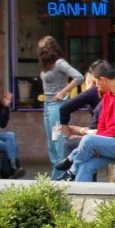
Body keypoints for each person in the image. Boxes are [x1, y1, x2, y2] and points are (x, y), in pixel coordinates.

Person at [55, 61, 115, 182]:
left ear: (102, 79)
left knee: (88, 140)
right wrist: (99, 142)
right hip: (111, 142)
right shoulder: (108, 95)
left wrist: (97, 139)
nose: (96, 86)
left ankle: (72, 169)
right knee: (86, 166)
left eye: (96, 82)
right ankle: (80, 198)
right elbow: (102, 123)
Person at [38, 36, 84, 178]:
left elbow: (79, 77)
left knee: (58, 142)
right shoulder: (48, 66)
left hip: (57, 106)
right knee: (51, 144)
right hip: (48, 105)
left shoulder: (59, 63)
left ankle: (57, 178)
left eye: (42, 48)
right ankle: (57, 174)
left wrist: (64, 91)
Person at [59, 62, 103, 152]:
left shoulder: (93, 91)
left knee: (69, 145)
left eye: (86, 83)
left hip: (103, 135)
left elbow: (64, 108)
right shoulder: (106, 92)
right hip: (101, 133)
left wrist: (67, 134)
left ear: (90, 81)